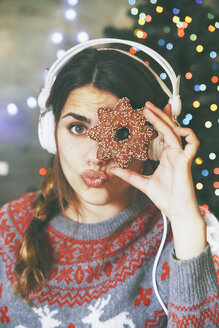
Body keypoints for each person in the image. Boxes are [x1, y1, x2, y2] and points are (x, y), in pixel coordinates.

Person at [0, 39, 218, 328]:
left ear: (152, 141)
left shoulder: (195, 235)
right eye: (77, 128)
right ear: (50, 134)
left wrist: (185, 222)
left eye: (120, 134)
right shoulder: (8, 226)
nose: (96, 157)